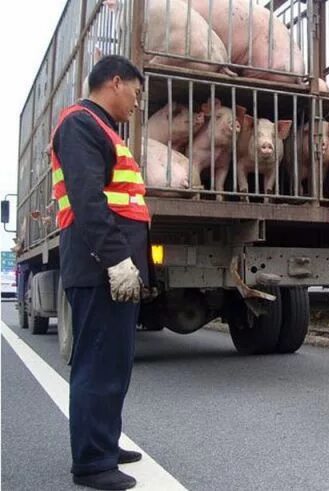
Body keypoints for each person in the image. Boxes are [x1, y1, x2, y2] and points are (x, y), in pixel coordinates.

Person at [51, 55, 149, 490]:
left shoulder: (102, 128)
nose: (137, 103)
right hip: (98, 267)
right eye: (136, 92)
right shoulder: (79, 124)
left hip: (109, 266)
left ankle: (105, 442)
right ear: (115, 82)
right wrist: (116, 259)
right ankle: (92, 463)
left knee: (115, 360)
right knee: (98, 363)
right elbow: (88, 201)